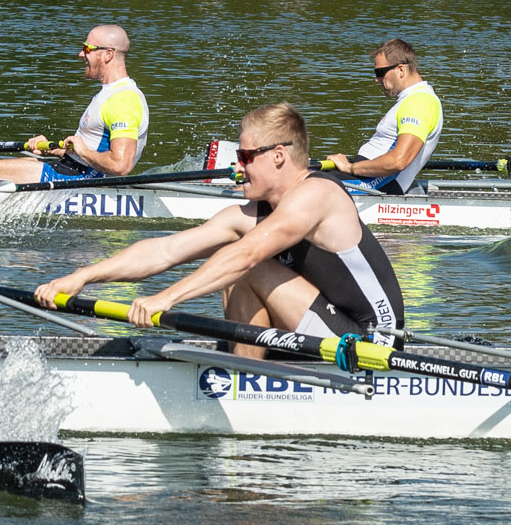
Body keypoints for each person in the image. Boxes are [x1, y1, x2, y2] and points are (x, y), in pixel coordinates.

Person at [34, 102, 402, 347]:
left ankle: (245, 381)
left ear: (278, 156)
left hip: (373, 343)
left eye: (244, 156)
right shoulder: (252, 213)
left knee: (242, 261)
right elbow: (165, 251)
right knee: (235, 256)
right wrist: (82, 276)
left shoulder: (316, 195)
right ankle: (245, 378)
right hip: (324, 329)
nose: (236, 166)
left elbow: (245, 256)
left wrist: (165, 299)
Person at [0, 25, 149, 186]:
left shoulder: (123, 100)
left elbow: (120, 165)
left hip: (84, 180)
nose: (81, 54)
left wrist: (81, 150)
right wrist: (50, 148)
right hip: (73, 170)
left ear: (108, 54)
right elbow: (88, 151)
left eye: (87, 49)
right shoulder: (109, 93)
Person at [323, 39, 444, 193]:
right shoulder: (411, 99)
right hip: (367, 176)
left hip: (380, 183)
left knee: (301, 184)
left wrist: (349, 167)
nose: (376, 79)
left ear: (401, 70)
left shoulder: (419, 102)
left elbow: (399, 161)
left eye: (380, 72)